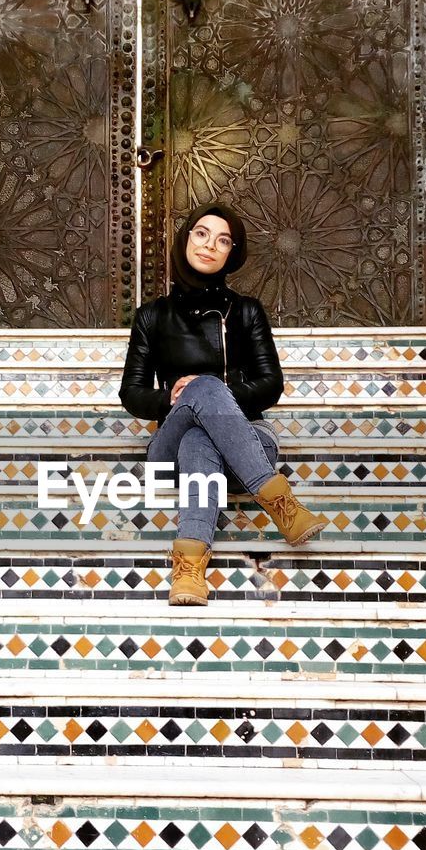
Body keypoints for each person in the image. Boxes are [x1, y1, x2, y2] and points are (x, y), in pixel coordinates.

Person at [119, 202, 326, 606]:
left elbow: (270, 385)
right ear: (185, 240)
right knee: (199, 409)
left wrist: (216, 394)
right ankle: (280, 502)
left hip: (249, 441)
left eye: (223, 240)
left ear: (233, 252)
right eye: (201, 233)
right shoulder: (152, 316)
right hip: (169, 449)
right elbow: (132, 393)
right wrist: (171, 397)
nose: (210, 245)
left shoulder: (247, 311)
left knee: (203, 434)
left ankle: (190, 569)